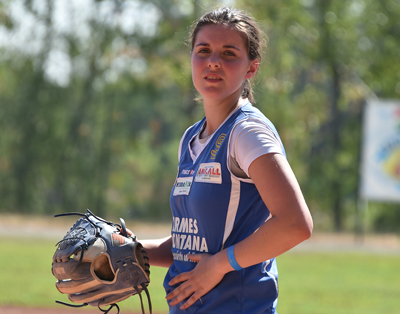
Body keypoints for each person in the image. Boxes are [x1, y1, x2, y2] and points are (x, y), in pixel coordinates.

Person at [141, 6, 313, 314]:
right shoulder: (192, 137)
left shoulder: (246, 132)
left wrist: (219, 265)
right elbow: (194, 246)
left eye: (229, 53)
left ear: (252, 68)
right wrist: (133, 251)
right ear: (191, 58)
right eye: (203, 50)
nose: (213, 62)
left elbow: (295, 224)